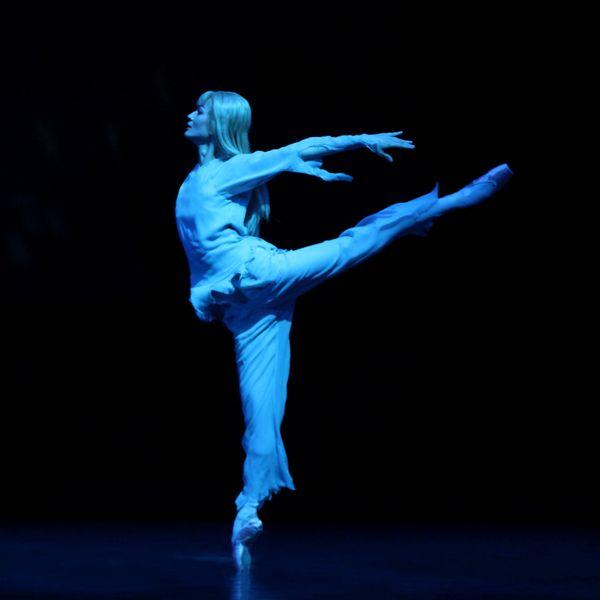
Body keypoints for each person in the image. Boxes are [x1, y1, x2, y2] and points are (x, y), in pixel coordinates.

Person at [176, 90, 513, 570]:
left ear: (220, 121)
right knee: (262, 409)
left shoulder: (226, 171)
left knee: (354, 243)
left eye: (201, 110)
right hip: (244, 309)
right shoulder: (197, 177)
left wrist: (360, 139)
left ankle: (456, 200)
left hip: (260, 276)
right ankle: (248, 510)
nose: (191, 115)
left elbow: (299, 147)